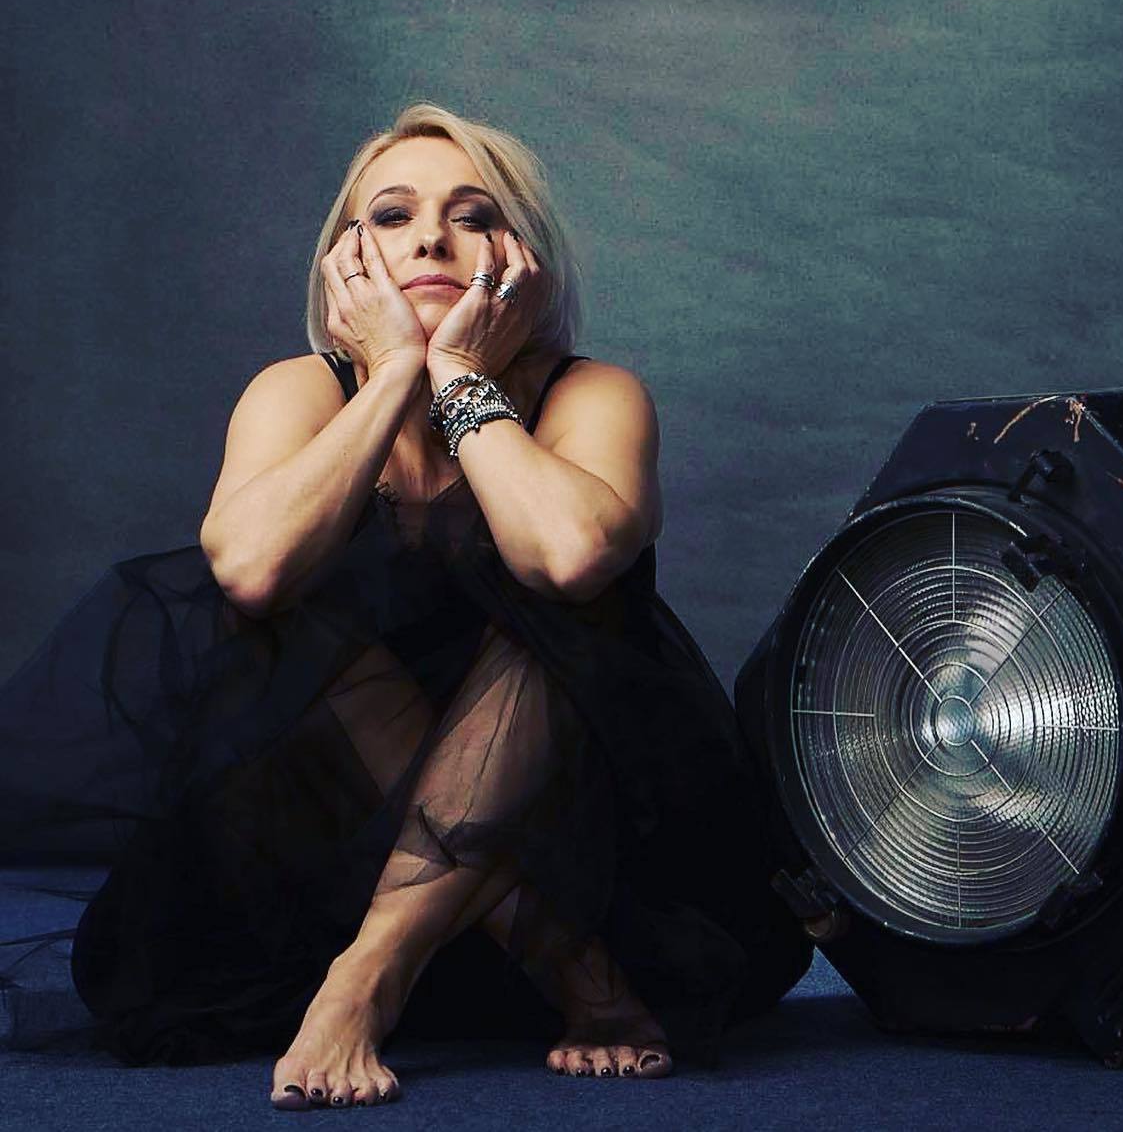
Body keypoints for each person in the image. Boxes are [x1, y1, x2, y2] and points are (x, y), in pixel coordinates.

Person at [0, 104, 812, 1105]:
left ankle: (368, 977)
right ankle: (570, 967)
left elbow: (570, 556)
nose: (431, 238)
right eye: (393, 215)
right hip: (334, 875)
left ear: (522, 257)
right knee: (286, 592)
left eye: (473, 215)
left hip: (587, 856)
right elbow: (248, 568)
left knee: (562, 601)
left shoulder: (594, 392)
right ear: (347, 261)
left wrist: (459, 377)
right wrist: (391, 374)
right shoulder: (297, 388)